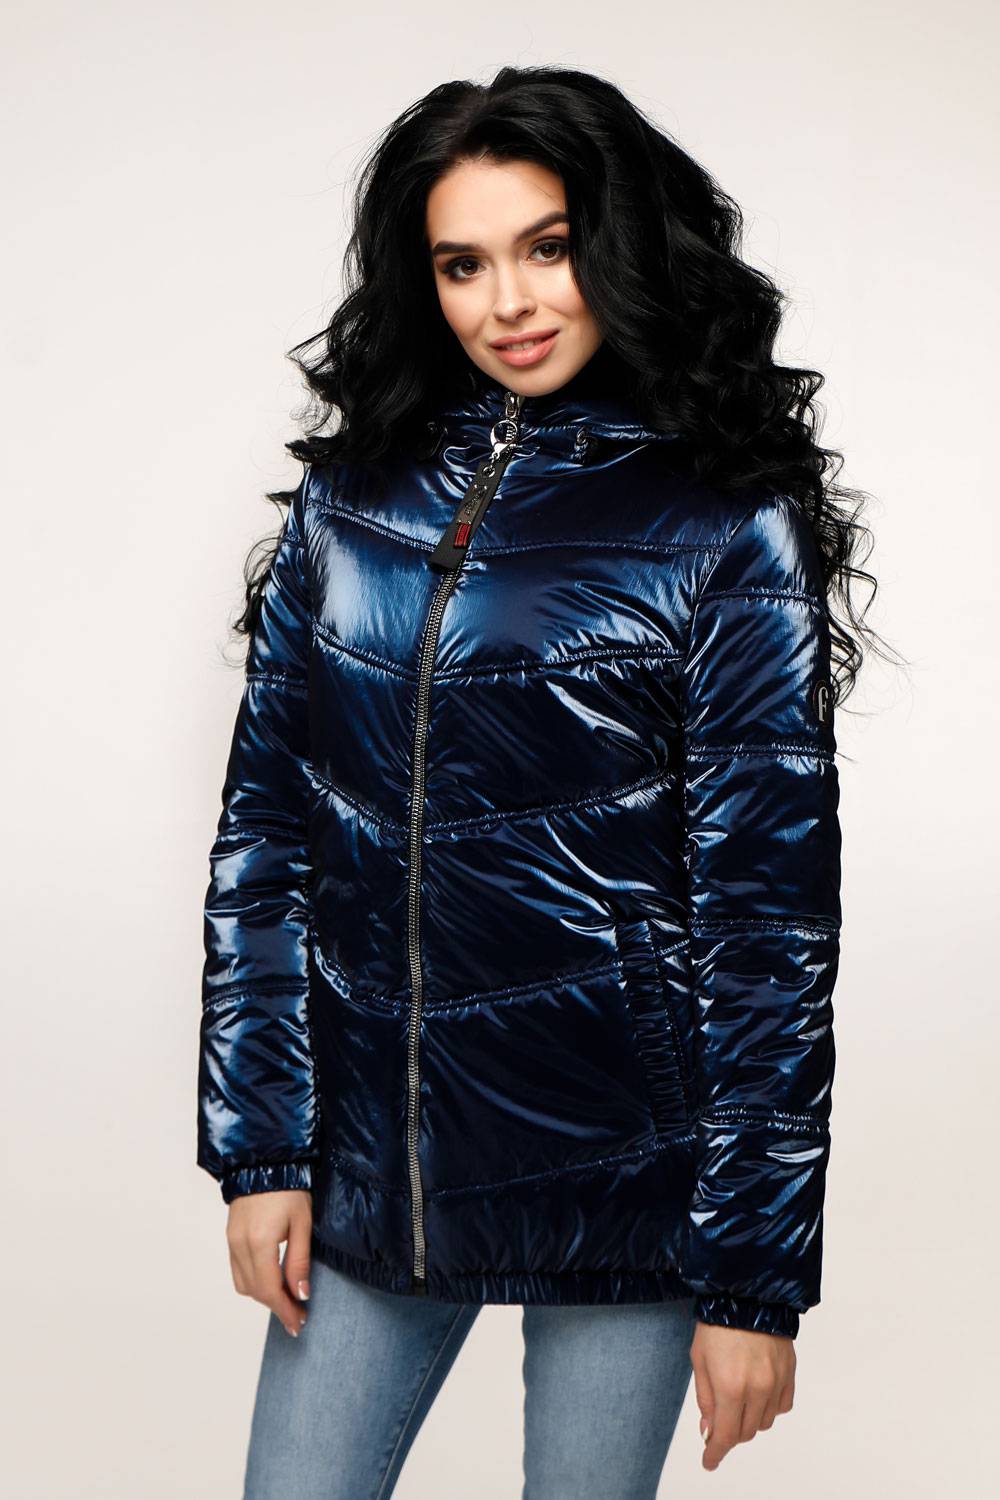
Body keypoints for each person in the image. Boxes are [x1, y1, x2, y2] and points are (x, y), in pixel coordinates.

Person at [197, 64, 881, 1498]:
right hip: (379, 1171)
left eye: (547, 247)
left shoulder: (722, 523)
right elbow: (266, 837)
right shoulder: (355, 499)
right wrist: (263, 1148)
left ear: (616, 244)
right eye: (463, 263)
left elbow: (767, 929)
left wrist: (754, 1279)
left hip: (627, 1181)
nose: (507, 301)